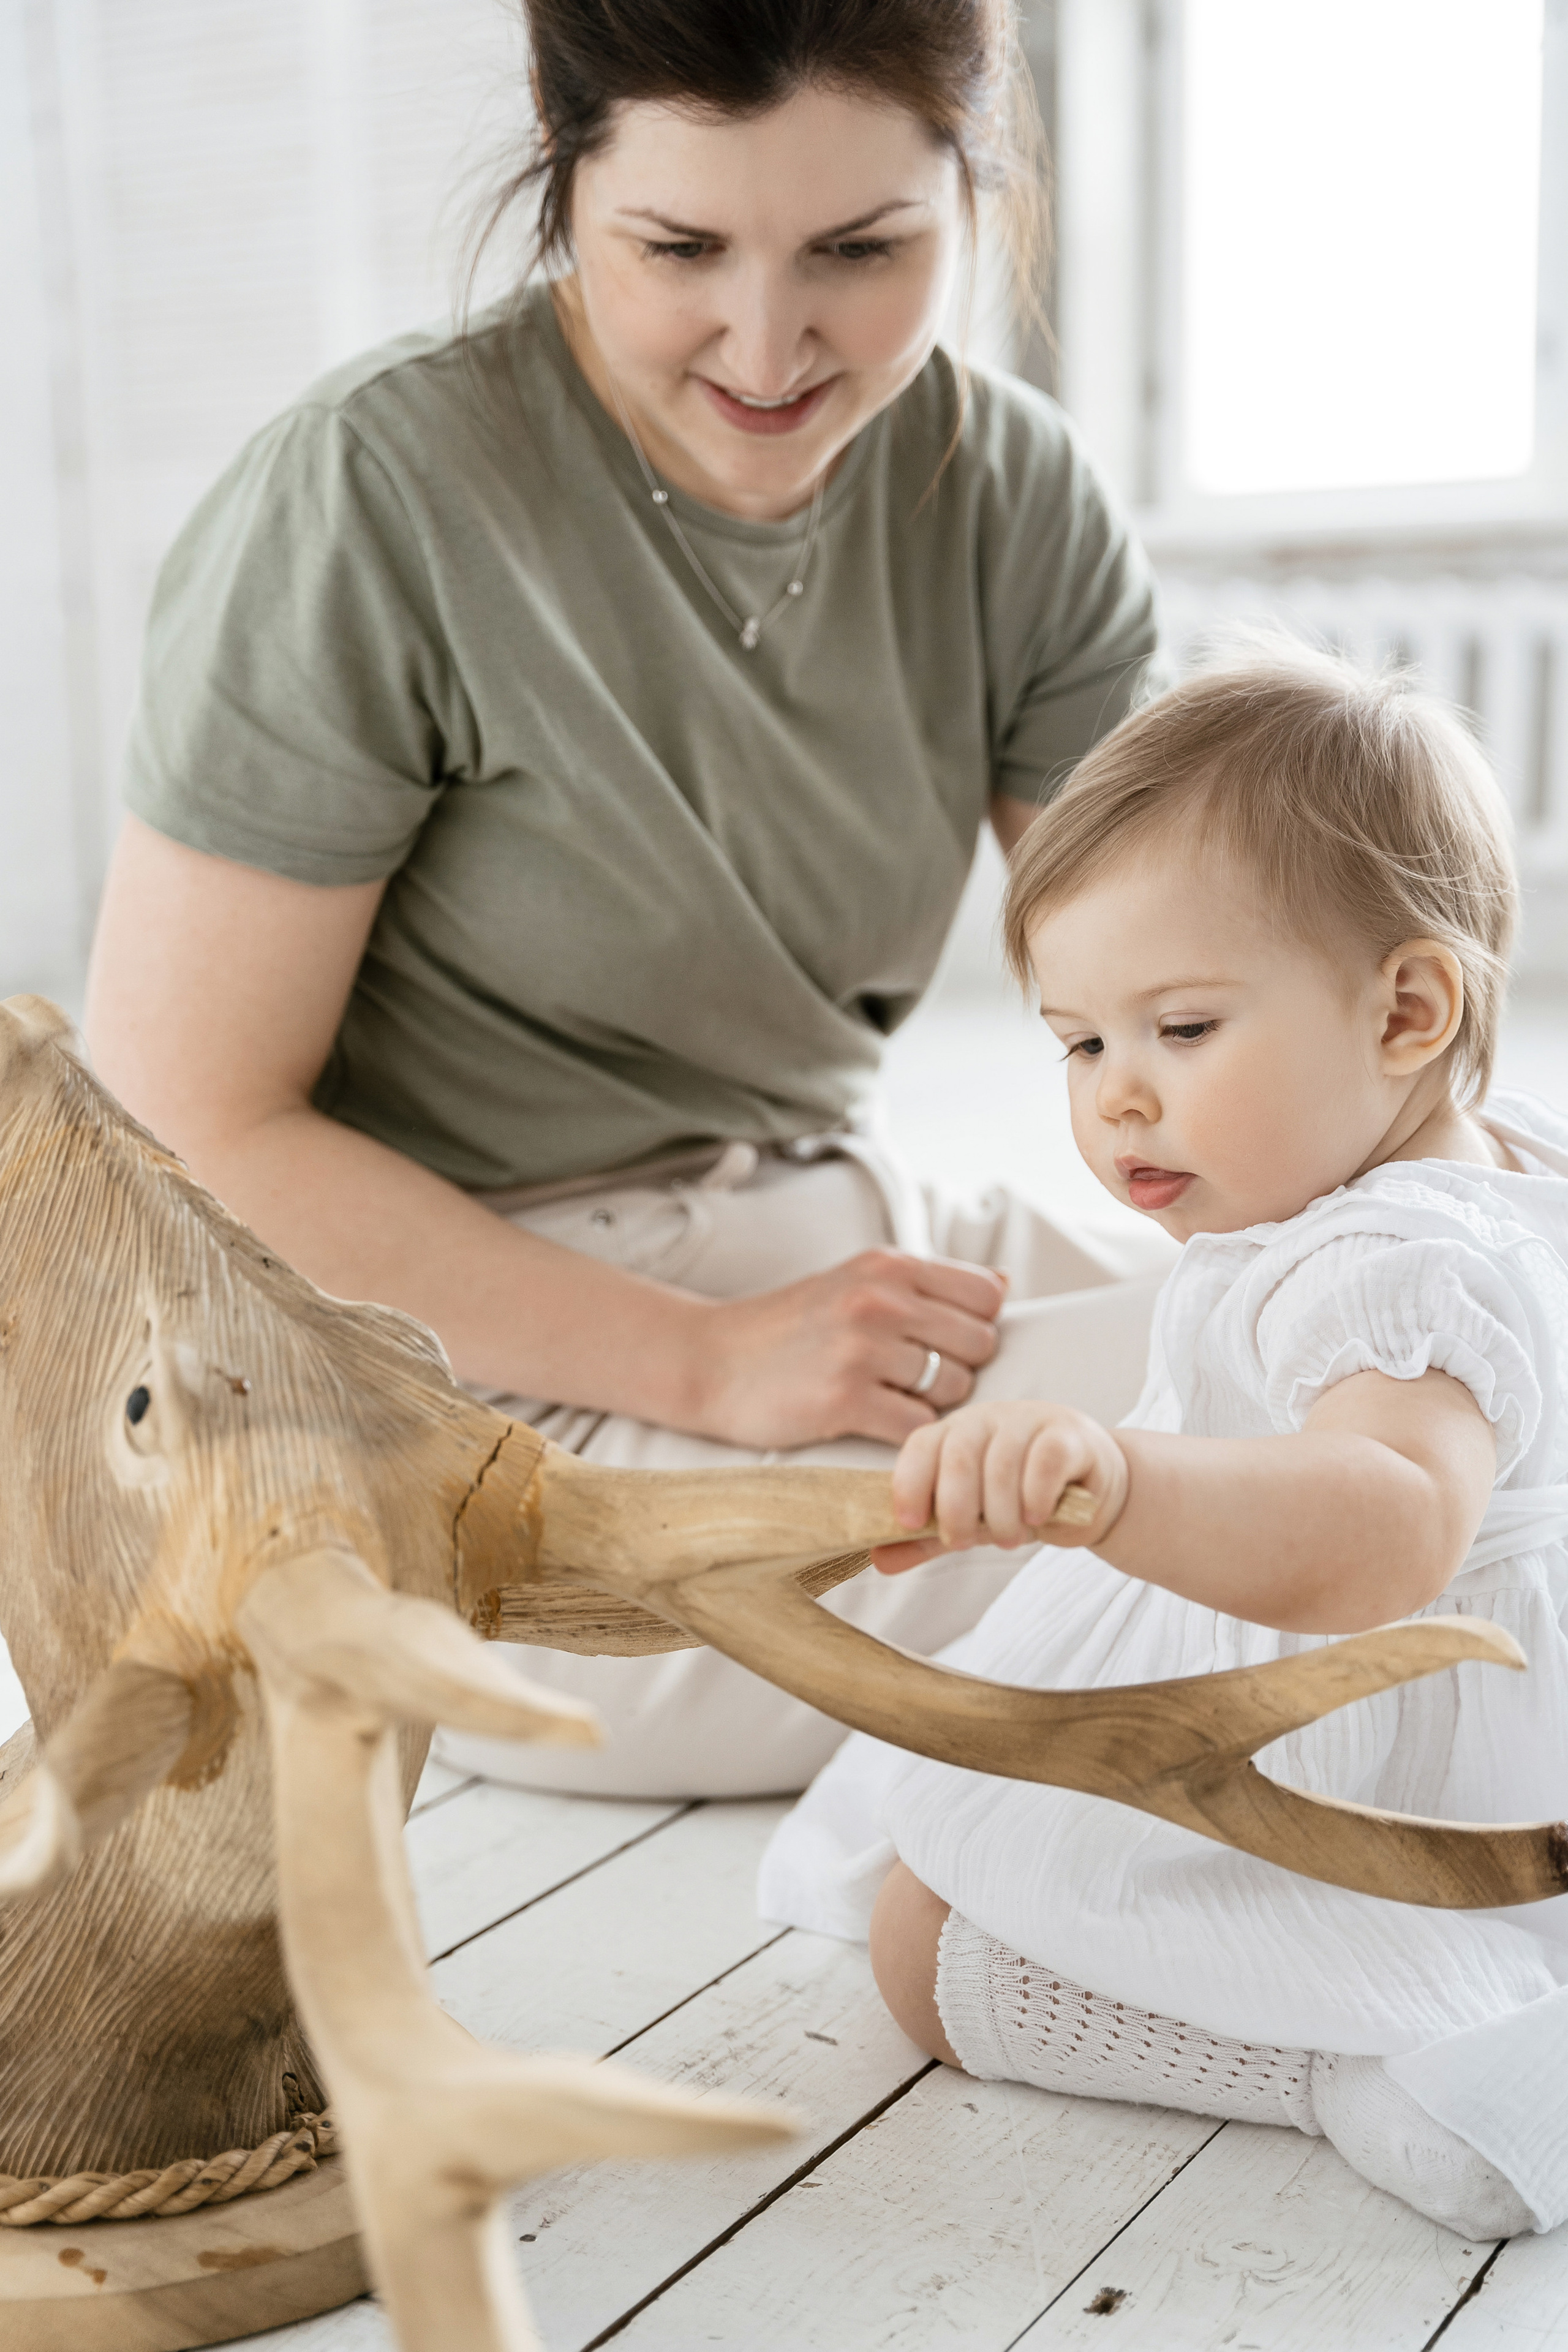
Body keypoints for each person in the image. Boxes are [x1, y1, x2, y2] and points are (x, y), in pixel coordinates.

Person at [83, 1, 1174, 1798]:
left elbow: (1188, 977)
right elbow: (185, 1140)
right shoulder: (374, 498)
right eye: (680, 248)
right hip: (417, 1355)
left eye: (862, 251)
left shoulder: (1013, 495)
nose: (768, 343)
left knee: (1387, 1383)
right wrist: (706, 1362)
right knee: (1118, 1556)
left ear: (975, 200)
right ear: (564, 177)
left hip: (815, 1245)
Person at [759, 643, 1568, 2237]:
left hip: (1367, 1753)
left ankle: (1378, 2060)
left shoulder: (1393, 1270)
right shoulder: (1495, 1170)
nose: (1116, 1102)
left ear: (1409, 1007)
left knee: (932, 1947)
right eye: (1079, 1042)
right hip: (1467, 1730)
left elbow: (1390, 1520)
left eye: (1181, 1030)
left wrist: (1122, 1483)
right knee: (922, 1838)